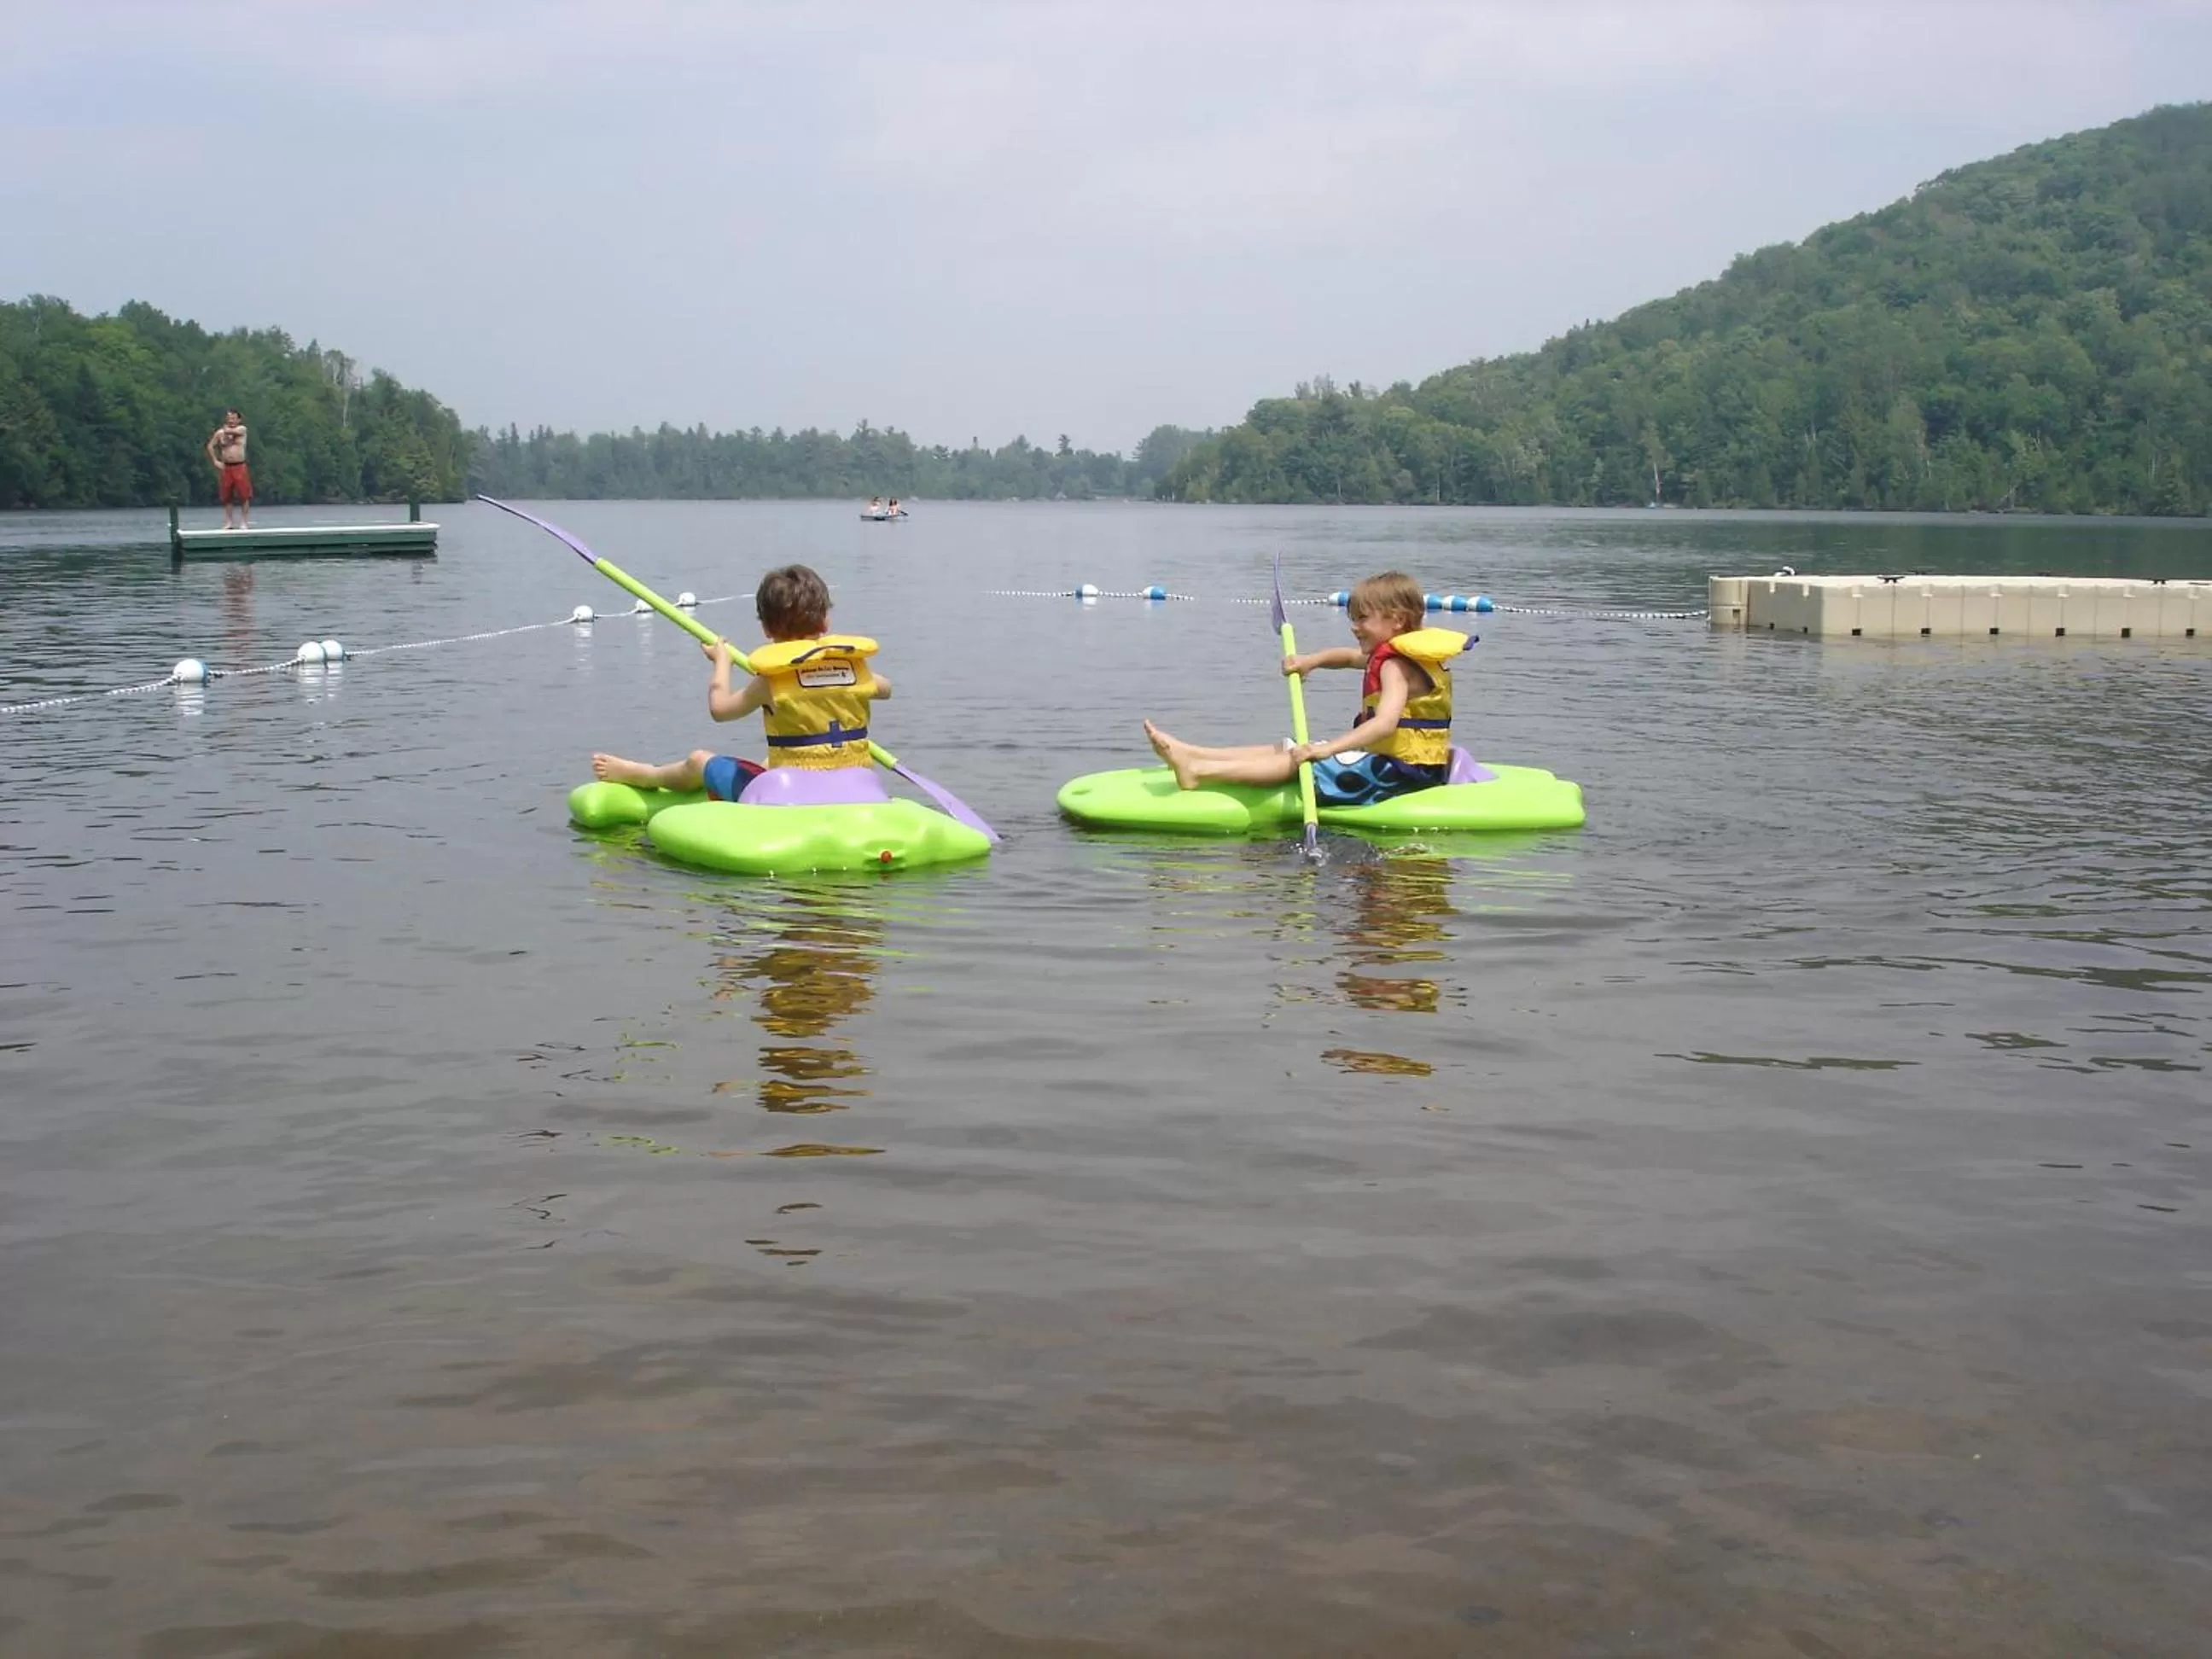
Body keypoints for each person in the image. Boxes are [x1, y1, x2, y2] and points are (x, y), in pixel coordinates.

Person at [1142, 570, 1469, 807]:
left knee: (1305, 758)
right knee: (1289, 746)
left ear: (1396, 620)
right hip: (1394, 763)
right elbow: (1350, 658)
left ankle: (1202, 772)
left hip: (1403, 776)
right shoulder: (1392, 657)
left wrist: (1326, 750)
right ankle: (1193, 754)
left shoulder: (1396, 665)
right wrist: (1311, 661)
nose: (1354, 626)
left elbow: (1384, 723)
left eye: (1363, 618)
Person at [590, 564, 892, 800]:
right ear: (825, 621)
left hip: (790, 796)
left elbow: (720, 710)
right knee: (771, 760)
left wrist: (722, 663)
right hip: (858, 787)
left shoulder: (769, 684)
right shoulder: (859, 674)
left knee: (699, 760)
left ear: (765, 628)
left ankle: (647, 776)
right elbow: (885, 689)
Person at [206, 409, 251, 529]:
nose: (231, 421)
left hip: (239, 466)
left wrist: (226, 430)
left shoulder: (242, 429)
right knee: (226, 496)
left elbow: (231, 431)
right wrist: (215, 461)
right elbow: (210, 446)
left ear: (239, 419)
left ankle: (244, 522)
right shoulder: (220, 433)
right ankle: (229, 522)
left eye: (233, 418)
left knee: (244, 495)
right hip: (227, 467)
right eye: (229, 418)